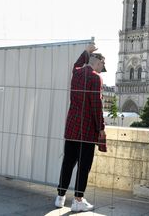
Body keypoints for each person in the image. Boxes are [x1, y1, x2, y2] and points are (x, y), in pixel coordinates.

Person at [54, 44, 107, 212]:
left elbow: (76, 65)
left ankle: (60, 197)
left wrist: (86, 52)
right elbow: (96, 105)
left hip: (72, 125)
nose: (101, 70)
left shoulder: (76, 73)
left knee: (68, 161)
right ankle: (78, 200)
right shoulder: (95, 78)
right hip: (87, 129)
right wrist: (101, 128)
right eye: (102, 66)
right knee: (84, 165)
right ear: (98, 63)